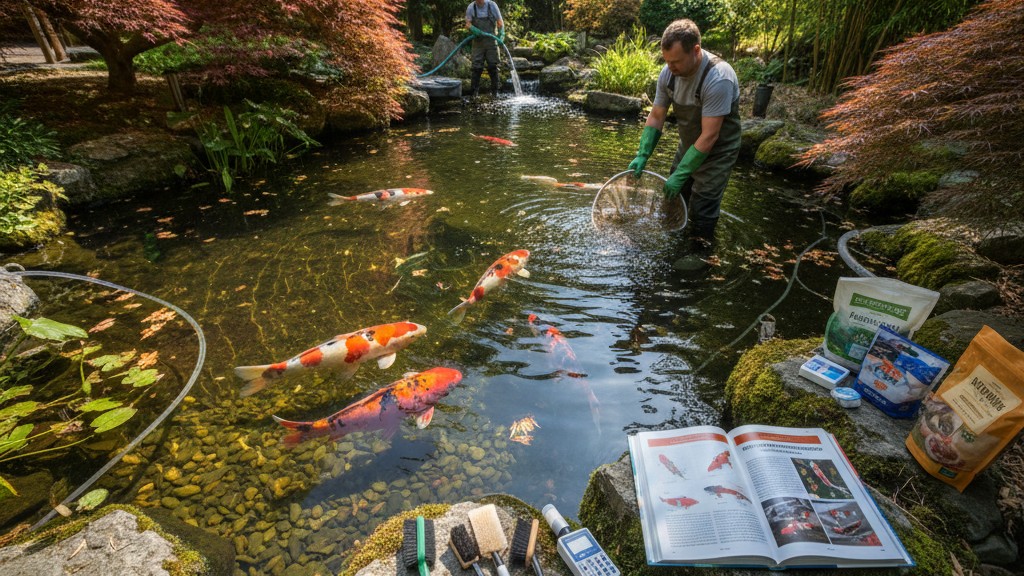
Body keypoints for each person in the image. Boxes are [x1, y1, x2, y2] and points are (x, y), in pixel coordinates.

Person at [628, 19, 741, 246]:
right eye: (667, 60)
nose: (670, 66)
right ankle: (672, 243)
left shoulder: (718, 77)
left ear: (696, 51)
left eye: (676, 61)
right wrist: (643, 154)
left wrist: (681, 173)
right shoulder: (668, 74)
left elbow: (710, 135)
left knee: (702, 206)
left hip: (718, 151)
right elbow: (657, 116)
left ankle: (700, 251)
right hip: (689, 144)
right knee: (672, 198)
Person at [465, 0, 505, 97]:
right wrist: (473, 29)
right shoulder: (471, 7)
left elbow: (500, 22)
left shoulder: (492, 6)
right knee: (476, 68)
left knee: (493, 67)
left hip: (492, 42)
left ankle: (495, 93)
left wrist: (501, 34)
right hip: (478, 43)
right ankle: (474, 94)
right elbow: (467, 24)